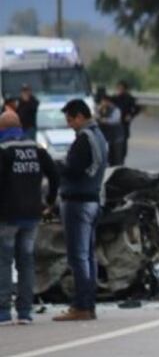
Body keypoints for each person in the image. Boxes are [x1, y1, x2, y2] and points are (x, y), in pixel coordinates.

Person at [0, 110, 59, 325]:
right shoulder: (36, 148)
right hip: (32, 215)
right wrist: (50, 202)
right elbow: (54, 174)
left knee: (4, 262)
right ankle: (25, 312)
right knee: (26, 262)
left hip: (7, 216)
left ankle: (3, 312)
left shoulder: (4, 150)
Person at [54, 99, 109, 322]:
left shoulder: (84, 139)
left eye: (70, 119)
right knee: (88, 256)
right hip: (94, 200)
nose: (69, 124)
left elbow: (74, 170)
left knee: (78, 257)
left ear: (79, 116)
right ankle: (89, 304)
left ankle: (82, 306)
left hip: (78, 202)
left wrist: (55, 166)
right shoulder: (99, 136)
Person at [111, 80, 141, 163]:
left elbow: (137, 108)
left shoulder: (129, 98)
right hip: (114, 124)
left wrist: (130, 115)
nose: (119, 90)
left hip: (124, 124)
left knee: (123, 142)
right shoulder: (114, 98)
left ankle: (122, 159)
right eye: (118, 88)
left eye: (121, 88)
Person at [95, 87, 125, 166]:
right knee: (107, 157)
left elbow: (115, 120)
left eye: (104, 101)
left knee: (116, 158)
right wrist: (99, 110)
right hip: (106, 137)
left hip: (116, 137)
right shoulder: (100, 109)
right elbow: (95, 117)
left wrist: (104, 120)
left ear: (108, 101)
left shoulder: (115, 110)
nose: (102, 103)